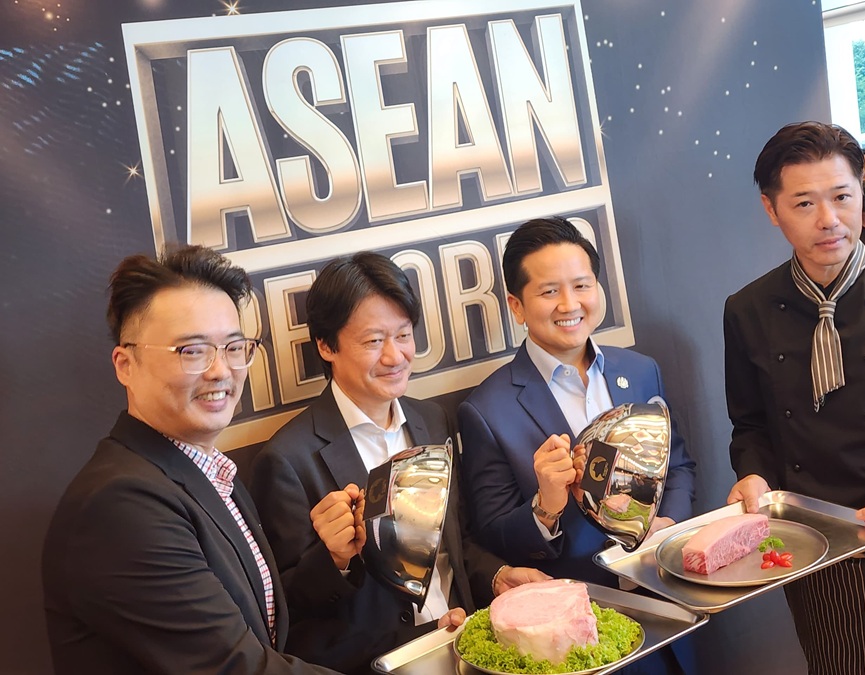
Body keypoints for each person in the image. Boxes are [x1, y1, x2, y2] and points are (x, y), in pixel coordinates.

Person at [41, 245, 339, 675]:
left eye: (234, 347)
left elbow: (249, 615)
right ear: (126, 364)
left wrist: (332, 558)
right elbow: (237, 666)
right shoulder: (120, 506)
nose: (221, 370)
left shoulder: (209, 471)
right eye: (192, 351)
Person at [250, 252, 547, 675]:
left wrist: (497, 575)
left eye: (404, 335)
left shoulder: (432, 420)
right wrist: (335, 559)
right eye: (373, 341)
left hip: (472, 649)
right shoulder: (287, 460)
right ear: (326, 346)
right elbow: (292, 617)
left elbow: (454, 544)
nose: (395, 356)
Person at [457, 216, 696, 674]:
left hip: (667, 603)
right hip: (576, 634)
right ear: (516, 305)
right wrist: (544, 508)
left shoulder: (640, 370)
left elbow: (680, 465)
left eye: (582, 285)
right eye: (549, 291)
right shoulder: (487, 410)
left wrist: (669, 524)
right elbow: (490, 532)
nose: (570, 304)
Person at [725, 121, 865, 675]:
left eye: (842, 197)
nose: (828, 220)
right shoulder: (747, 310)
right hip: (819, 547)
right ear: (771, 210)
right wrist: (751, 475)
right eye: (803, 203)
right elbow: (750, 426)